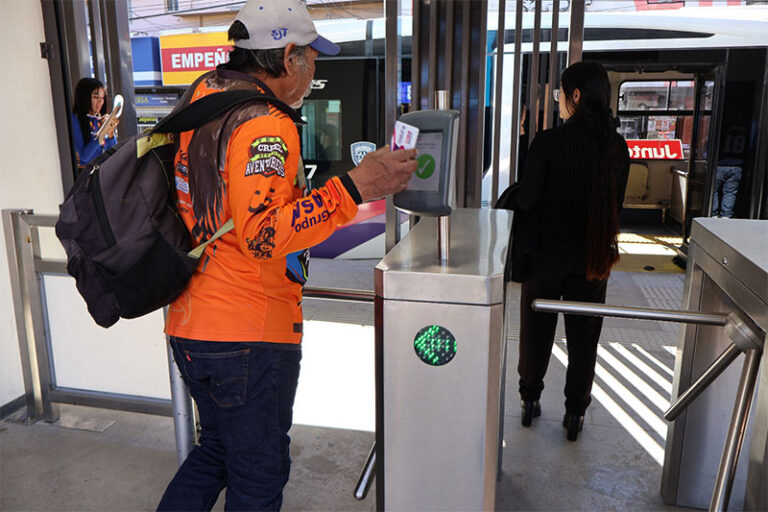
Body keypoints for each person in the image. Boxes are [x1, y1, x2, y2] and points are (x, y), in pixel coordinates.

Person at [158, 1, 418, 510]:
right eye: (312, 58)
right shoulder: (263, 124)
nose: (314, 70)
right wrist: (355, 186)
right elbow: (262, 236)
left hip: (189, 320)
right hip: (247, 334)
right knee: (259, 478)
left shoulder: (204, 95)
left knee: (215, 452)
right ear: (289, 55)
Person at [498, 61, 629, 442]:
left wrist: (511, 198)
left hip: (545, 256)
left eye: (560, 92)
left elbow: (529, 198)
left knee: (536, 330)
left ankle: (529, 401)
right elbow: (615, 206)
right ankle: (575, 413)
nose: (557, 99)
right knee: (584, 337)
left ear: (575, 96)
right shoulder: (617, 147)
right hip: (593, 257)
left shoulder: (548, 143)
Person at [70, 78, 118, 169]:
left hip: (103, 173)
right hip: (86, 176)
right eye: (96, 97)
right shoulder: (74, 120)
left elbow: (114, 154)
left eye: (103, 97)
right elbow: (85, 157)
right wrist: (102, 132)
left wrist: (111, 133)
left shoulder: (97, 120)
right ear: (84, 97)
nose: (100, 101)